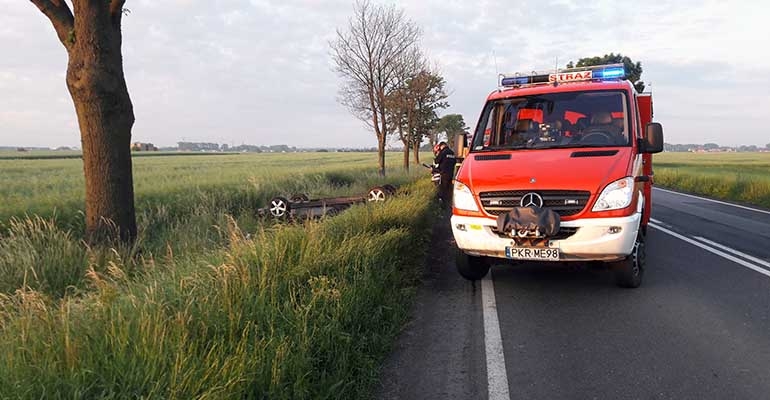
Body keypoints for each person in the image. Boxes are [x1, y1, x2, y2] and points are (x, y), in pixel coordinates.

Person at [433, 141, 456, 209]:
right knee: (449, 190)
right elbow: (454, 162)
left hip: (443, 174)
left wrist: (436, 152)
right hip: (451, 174)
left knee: (443, 189)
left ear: (441, 146)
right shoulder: (452, 153)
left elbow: (436, 161)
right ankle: (449, 205)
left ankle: (443, 206)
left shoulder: (443, 152)